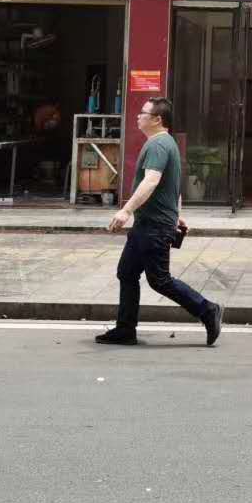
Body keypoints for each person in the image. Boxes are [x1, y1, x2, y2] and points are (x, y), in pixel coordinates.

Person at [96, 96, 223, 346]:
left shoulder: (158, 145)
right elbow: (174, 186)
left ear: (157, 119)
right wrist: (176, 215)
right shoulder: (165, 143)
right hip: (148, 224)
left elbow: (152, 181)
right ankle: (125, 329)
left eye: (143, 113)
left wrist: (126, 211)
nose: (138, 116)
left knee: (160, 280)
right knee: (127, 273)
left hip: (154, 226)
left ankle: (208, 310)